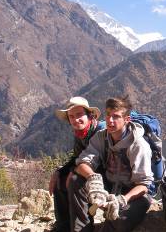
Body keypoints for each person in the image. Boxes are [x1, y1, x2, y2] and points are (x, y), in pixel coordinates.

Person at [69, 96, 154, 232]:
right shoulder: (102, 137)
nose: (110, 120)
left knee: (118, 219)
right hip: (111, 187)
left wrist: (122, 200)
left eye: (116, 116)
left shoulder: (138, 145)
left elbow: (143, 185)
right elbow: (82, 162)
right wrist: (93, 178)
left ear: (127, 119)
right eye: (108, 115)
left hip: (133, 195)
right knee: (76, 180)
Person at [49, 97, 105, 232]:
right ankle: (64, 226)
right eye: (71, 116)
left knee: (75, 180)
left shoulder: (102, 132)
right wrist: (59, 171)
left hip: (103, 176)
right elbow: (76, 157)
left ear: (89, 115)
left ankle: (82, 228)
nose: (75, 120)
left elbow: (103, 162)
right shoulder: (81, 134)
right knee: (60, 180)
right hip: (88, 170)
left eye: (79, 114)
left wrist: (74, 171)